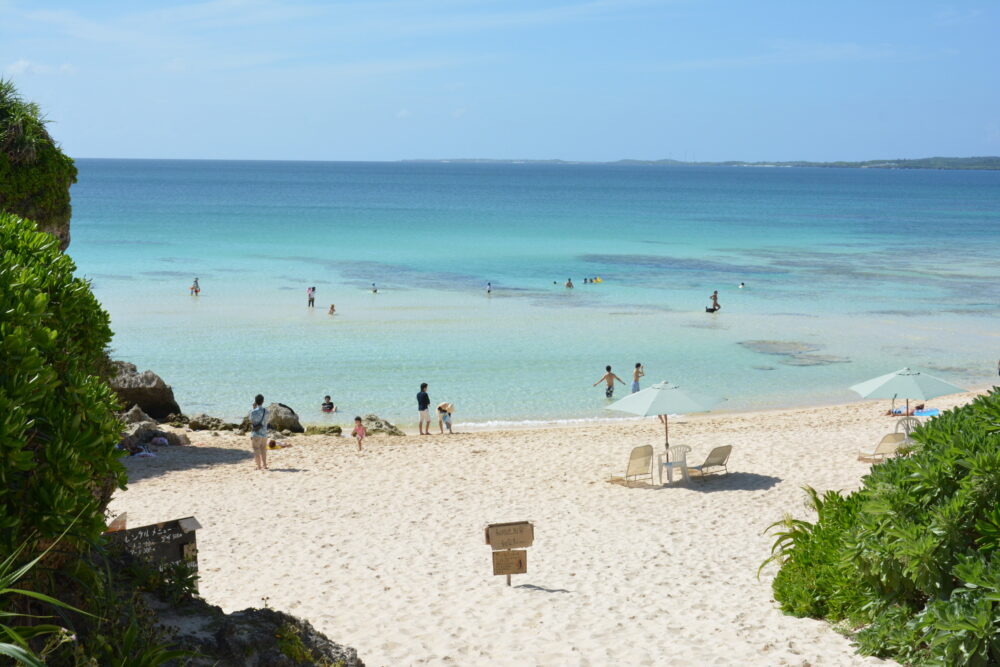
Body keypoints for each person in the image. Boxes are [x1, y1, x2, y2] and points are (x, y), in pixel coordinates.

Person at [249, 394, 268, 471]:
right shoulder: (266, 411)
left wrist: (253, 408)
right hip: (264, 432)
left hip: (256, 433)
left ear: (256, 402)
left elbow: (251, 421)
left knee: (256, 449)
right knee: (263, 449)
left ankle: (259, 466)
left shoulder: (253, 412)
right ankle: (265, 465)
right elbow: (266, 421)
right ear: (263, 401)